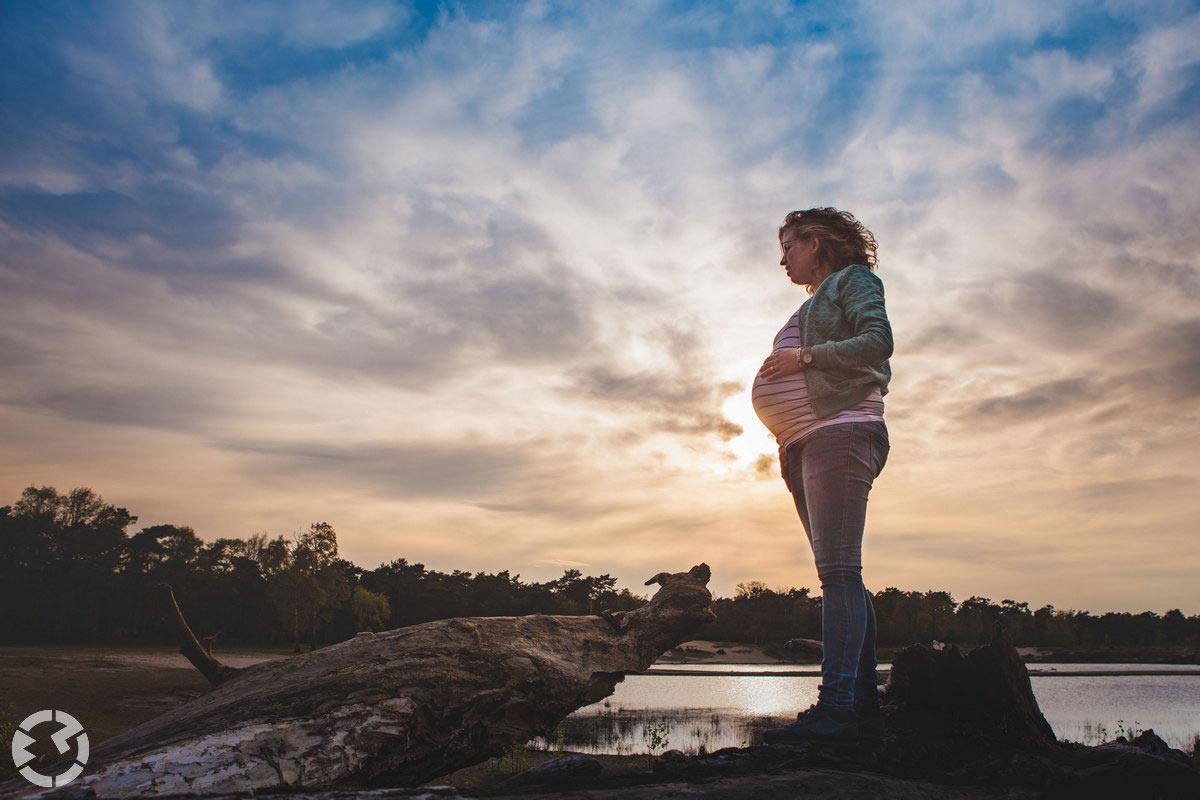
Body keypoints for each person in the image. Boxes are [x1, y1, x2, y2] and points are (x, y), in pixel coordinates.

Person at [752, 207, 893, 744]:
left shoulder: (854, 281)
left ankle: (837, 712)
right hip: (805, 443)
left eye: (789, 245)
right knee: (842, 575)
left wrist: (804, 359)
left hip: (841, 431)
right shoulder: (814, 300)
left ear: (818, 241)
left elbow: (877, 341)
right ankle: (860, 704)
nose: (783, 257)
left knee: (838, 573)